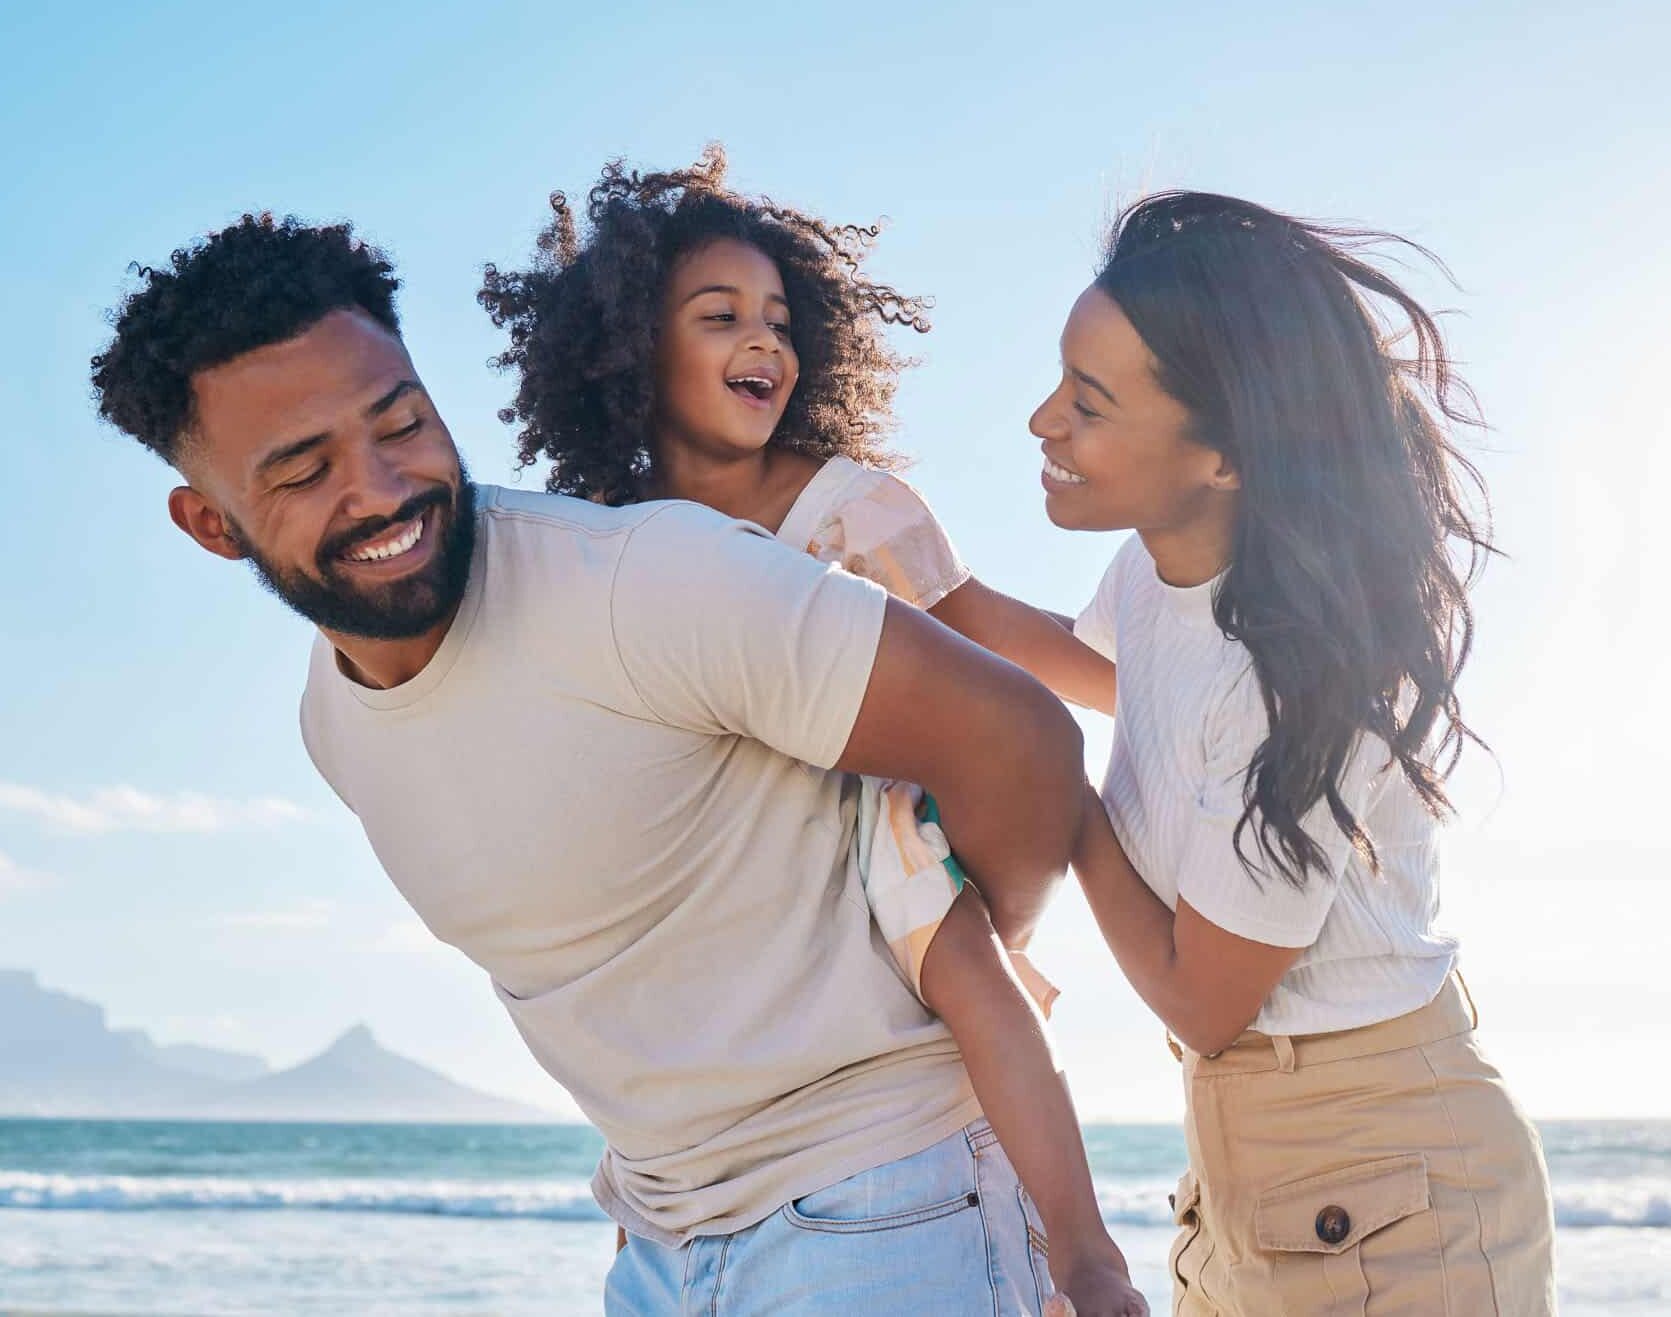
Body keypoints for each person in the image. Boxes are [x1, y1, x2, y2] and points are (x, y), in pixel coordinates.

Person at [92, 212, 1090, 1315]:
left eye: (401, 424)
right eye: (301, 470)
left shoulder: (645, 584)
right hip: (658, 1245)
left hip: (880, 1211)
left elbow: (1022, 740)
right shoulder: (333, 723)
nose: (378, 490)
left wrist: (952, 950)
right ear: (210, 524)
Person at [478, 147, 1141, 1317]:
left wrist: (1157, 687)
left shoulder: (845, 506)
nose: (763, 342)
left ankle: (1086, 1258)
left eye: (780, 319)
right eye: (720, 314)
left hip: (866, 816)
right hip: (725, 863)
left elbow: (983, 629)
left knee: (971, 978)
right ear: (633, 349)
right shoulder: (609, 542)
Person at [1033, 191, 1557, 1313]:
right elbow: (1116, 684)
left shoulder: (1305, 679)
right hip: (1244, 1170)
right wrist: (903, 576)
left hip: (1389, 1189)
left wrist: (1059, 803)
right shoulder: (1158, 572)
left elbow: (1202, 1001)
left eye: (1086, 404)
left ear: (1223, 455)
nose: (1042, 422)